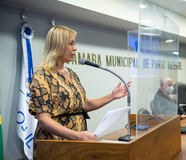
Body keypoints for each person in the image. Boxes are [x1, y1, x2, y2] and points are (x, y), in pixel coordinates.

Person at [28, 25, 131, 159]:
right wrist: (76, 135)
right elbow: (44, 120)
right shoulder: (42, 76)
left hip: (77, 142)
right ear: (58, 45)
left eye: (74, 43)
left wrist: (112, 96)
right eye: (71, 43)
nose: (75, 48)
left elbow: (84, 105)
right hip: (54, 144)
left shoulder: (72, 74)